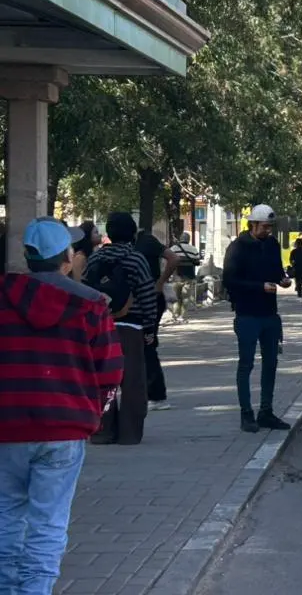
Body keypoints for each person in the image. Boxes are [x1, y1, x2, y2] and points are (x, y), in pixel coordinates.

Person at [0, 218, 123, 594]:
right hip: (65, 429)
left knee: (6, 517)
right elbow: (111, 371)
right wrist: (91, 413)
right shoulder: (90, 306)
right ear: (67, 258)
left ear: (27, 256)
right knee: (49, 521)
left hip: (7, 427)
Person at [84, 213, 158, 445]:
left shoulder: (95, 259)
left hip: (101, 329)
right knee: (132, 383)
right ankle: (130, 433)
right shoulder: (136, 259)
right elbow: (147, 294)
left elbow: (86, 291)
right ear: (132, 233)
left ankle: (103, 431)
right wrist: (150, 328)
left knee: (103, 383)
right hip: (131, 327)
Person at [222, 205, 292, 433]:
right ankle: (246, 413)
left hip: (270, 314)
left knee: (271, 363)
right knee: (246, 364)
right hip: (247, 314)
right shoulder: (238, 247)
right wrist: (259, 286)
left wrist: (282, 280)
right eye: (264, 227)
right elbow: (230, 281)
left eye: (270, 227)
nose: (268, 231)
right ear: (252, 225)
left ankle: (266, 411)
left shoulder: (271, 245)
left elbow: (276, 270)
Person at [134, 227, 179, 411]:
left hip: (151, 298)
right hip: (137, 300)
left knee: (147, 344)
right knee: (142, 345)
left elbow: (174, 257)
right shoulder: (130, 244)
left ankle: (157, 394)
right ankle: (145, 391)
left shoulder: (146, 241)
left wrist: (160, 282)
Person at [168, 233, 201, 324]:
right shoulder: (193, 249)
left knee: (176, 297)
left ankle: (175, 315)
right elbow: (197, 262)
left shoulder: (173, 249)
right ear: (189, 240)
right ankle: (182, 316)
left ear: (180, 238)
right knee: (185, 297)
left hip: (176, 277)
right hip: (188, 277)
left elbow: (168, 260)